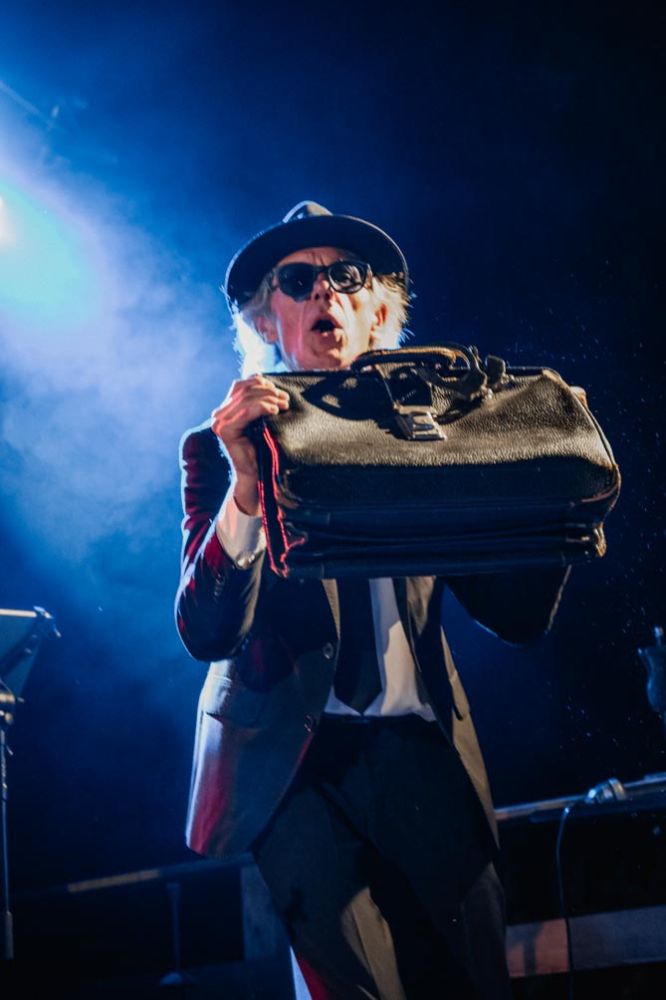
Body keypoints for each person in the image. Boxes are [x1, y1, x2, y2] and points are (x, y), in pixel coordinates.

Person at [175, 202, 570, 998]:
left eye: (347, 277)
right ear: (268, 320)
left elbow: (517, 615)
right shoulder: (224, 448)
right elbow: (207, 628)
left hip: (424, 752)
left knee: (471, 981)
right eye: (298, 281)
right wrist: (247, 485)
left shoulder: (432, 438)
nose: (325, 291)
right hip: (295, 762)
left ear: (380, 313)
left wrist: (547, 487)